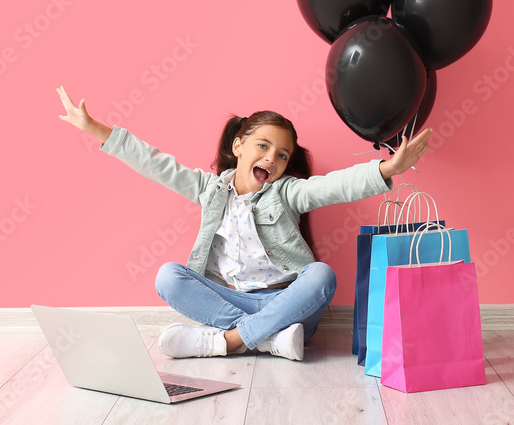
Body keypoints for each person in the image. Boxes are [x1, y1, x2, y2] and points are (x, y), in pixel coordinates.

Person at [56, 86, 432, 361]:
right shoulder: (209, 189)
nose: (272, 158)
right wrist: (95, 129)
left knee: (321, 276)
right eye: (263, 146)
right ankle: (270, 340)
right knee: (167, 276)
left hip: (286, 303)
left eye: (282, 155)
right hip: (234, 301)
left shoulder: (286, 192)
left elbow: (332, 187)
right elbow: (156, 164)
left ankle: (228, 341)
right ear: (239, 146)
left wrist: (388, 168)